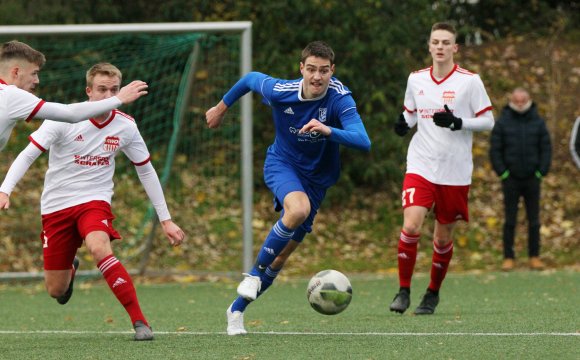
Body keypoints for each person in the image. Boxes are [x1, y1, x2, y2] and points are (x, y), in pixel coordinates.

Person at [0, 63, 185, 341]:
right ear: (89, 91)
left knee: (99, 247)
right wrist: (5, 190)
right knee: (56, 290)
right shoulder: (63, 117)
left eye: (114, 90)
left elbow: (145, 169)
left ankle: (140, 322)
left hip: (94, 202)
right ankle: (70, 270)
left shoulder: (126, 126)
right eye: (102, 90)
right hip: (56, 207)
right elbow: (27, 155)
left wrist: (166, 219)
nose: (109, 95)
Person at [205, 41, 371, 335]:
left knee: (281, 256)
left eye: (323, 71)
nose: (317, 77)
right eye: (311, 70)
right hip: (282, 164)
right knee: (298, 208)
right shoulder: (282, 92)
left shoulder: (339, 98)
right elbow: (250, 79)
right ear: (301, 69)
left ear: (332, 71)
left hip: (317, 180)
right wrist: (220, 108)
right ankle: (254, 274)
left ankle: (235, 311)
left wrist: (327, 130)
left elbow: (363, 140)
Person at [390, 22, 494, 315]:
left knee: (442, 238)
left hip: (455, 170)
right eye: (435, 42)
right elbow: (410, 112)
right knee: (411, 224)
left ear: (455, 48)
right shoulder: (416, 79)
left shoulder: (470, 81)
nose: (440, 47)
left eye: (446, 42)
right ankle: (403, 290)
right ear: (429, 46)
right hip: (421, 163)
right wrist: (403, 123)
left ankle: (432, 294)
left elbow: (488, 121)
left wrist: (459, 122)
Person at [0, 40, 148, 152]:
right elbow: (70, 114)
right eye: (34, 73)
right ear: (16, 72)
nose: (37, 80)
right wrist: (118, 99)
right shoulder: (11, 95)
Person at [489, 87, 552, 271]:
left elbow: (546, 148)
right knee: (510, 220)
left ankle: (535, 256)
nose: (519, 103)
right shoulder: (502, 122)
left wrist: (541, 171)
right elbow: (495, 150)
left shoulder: (538, 122)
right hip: (511, 179)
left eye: (522, 100)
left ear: (528, 99)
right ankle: (508, 257)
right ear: (511, 100)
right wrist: (503, 173)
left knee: (534, 219)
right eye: (516, 100)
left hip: (533, 178)